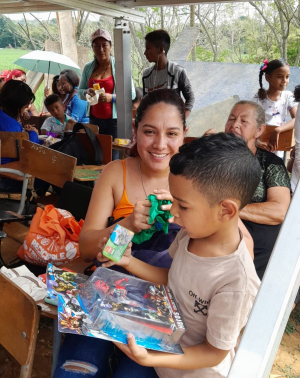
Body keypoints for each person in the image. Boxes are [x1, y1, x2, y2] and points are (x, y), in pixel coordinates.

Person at [95, 132, 261, 378]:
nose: (173, 213)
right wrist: (128, 261)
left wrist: (151, 357)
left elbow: (214, 353)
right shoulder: (190, 234)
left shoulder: (236, 282)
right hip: (163, 358)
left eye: (182, 205)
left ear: (225, 210)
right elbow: (173, 278)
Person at [53, 89, 188, 378]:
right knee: (76, 372)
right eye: (149, 131)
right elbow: (87, 247)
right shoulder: (116, 173)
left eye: (172, 134)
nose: (160, 144)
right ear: (135, 131)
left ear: (185, 134)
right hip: (106, 298)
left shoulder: (194, 184)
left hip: (162, 315)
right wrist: (126, 225)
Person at [225, 100, 291, 279]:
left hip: (260, 256)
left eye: (244, 121)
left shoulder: (270, 164)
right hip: (219, 246)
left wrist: (230, 210)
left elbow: (279, 211)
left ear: (259, 130)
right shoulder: (213, 160)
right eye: (231, 119)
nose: (234, 125)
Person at [78, 28, 136, 160]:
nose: (101, 49)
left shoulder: (120, 67)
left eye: (104, 45)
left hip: (114, 122)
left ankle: (111, 180)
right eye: (96, 46)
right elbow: (80, 92)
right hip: (94, 119)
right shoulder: (88, 67)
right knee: (95, 155)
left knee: (112, 156)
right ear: (92, 48)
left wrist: (112, 97)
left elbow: (131, 94)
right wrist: (87, 92)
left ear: (111, 46)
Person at [142, 29, 195, 119]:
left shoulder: (177, 72)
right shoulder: (146, 75)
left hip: (172, 125)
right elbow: (145, 103)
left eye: (148, 48)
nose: (145, 53)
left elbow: (190, 98)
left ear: (161, 49)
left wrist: (180, 121)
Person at [0, 80, 39, 191]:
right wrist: (33, 133)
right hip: (9, 174)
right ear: (16, 105)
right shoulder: (13, 127)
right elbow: (28, 153)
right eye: (23, 108)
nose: (23, 112)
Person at [251, 59, 297, 152]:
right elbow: (249, 122)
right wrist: (256, 142)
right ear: (268, 78)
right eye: (280, 77)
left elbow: (297, 119)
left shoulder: (288, 96)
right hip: (259, 145)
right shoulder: (258, 98)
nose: (284, 81)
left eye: (287, 77)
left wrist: (278, 130)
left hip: (279, 145)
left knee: (276, 165)